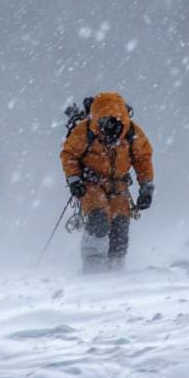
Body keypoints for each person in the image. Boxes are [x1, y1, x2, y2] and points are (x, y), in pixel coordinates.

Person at [59, 91, 154, 272]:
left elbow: (143, 158)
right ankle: (92, 265)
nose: (110, 138)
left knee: (120, 225)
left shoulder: (131, 132)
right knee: (98, 219)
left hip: (119, 185)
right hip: (91, 184)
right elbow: (69, 154)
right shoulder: (85, 131)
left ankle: (116, 268)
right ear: (98, 123)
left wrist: (147, 187)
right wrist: (74, 180)